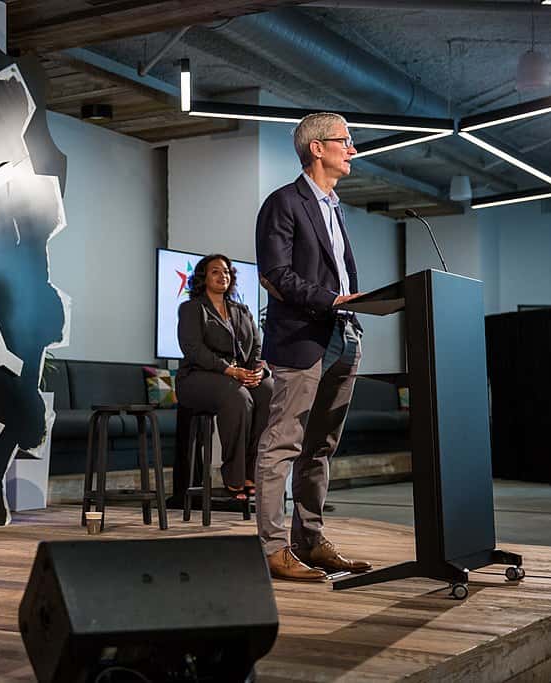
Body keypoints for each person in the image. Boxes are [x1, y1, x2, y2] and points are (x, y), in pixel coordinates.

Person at [255, 112, 372, 582]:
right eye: (346, 141)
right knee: (284, 442)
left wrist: (352, 311)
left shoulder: (336, 208)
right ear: (317, 147)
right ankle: (273, 548)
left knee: (321, 445)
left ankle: (311, 538)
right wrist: (332, 299)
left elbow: (340, 273)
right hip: (302, 339)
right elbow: (275, 276)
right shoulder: (284, 203)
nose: (353, 149)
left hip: (344, 336)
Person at [176, 254, 273, 501]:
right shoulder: (191, 308)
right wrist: (230, 370)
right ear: (203, 278)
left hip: (235, 376)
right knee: (238, 396)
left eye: (227, 272)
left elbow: (257, 347)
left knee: (268, 390)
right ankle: (234, 476)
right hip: (197, 378)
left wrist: (258, 371)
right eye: (216, 272)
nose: (223, 276)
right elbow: (193, 349)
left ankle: (252, 472)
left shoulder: (242, 310)